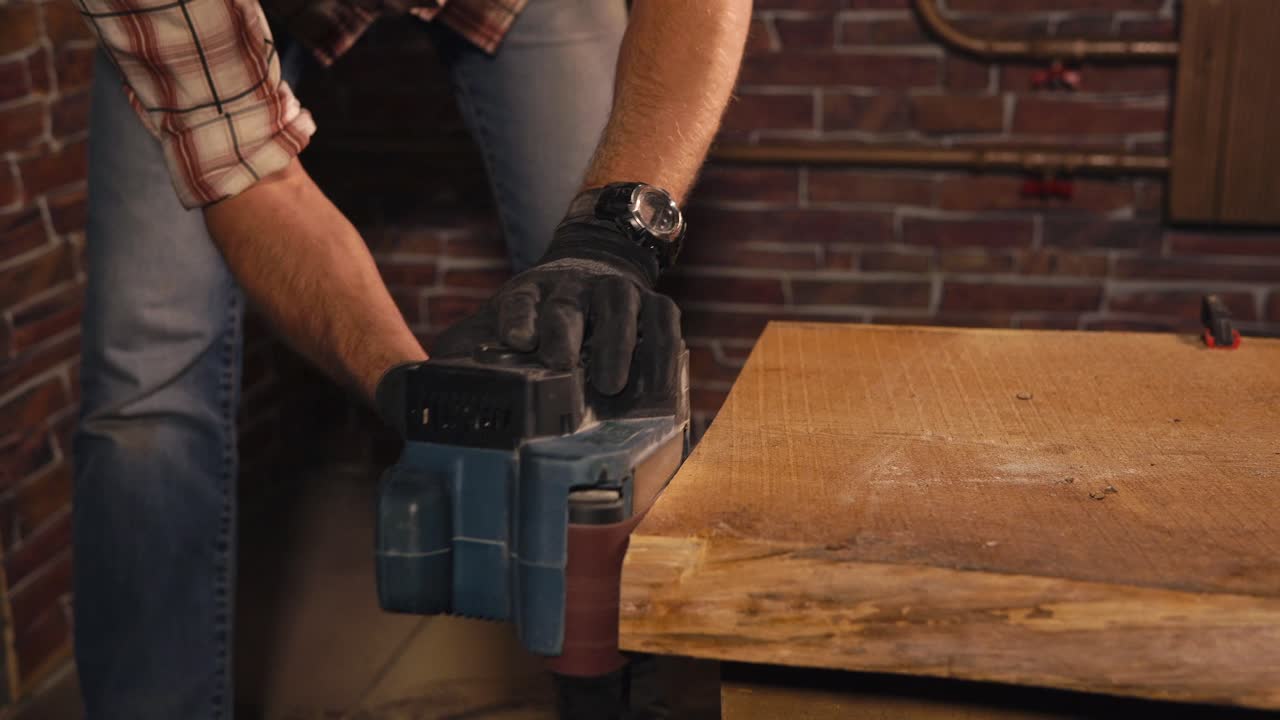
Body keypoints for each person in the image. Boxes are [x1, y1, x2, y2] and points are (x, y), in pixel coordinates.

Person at [71, 0, 751, 715]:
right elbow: (250, 181)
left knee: (610, 345)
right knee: (144, 397)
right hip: (202, 28)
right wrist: (412, 387)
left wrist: (612, 234)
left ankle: (625, 691)